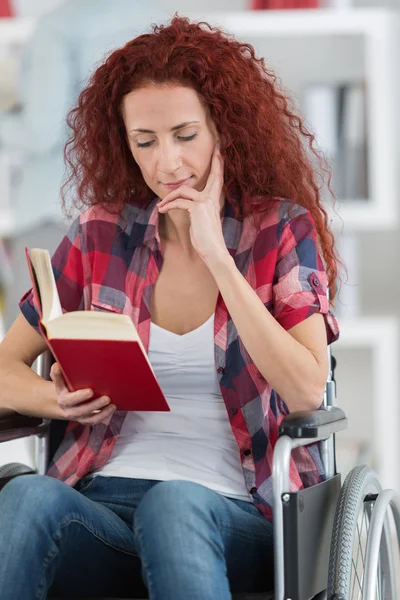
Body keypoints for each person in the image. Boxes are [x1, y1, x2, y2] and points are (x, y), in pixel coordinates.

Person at [0, 16, 340, 600]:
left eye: (185, 135)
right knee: (26, 495)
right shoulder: (98, 233)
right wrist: (56, 400)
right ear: (124, 143)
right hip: (104, 504)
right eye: (145, 142)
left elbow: (308, 389)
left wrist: (217, 256)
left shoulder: (279, 229)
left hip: (231, 511)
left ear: (222, 131)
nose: (167, 164)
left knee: (173, 504)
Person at [0, 0, 166, 329]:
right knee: (111, 339)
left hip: (55, 210)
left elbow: (40, 131)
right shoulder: (157, 18)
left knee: (34, 343)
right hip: (133, 209)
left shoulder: (57, 28)